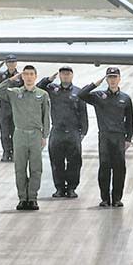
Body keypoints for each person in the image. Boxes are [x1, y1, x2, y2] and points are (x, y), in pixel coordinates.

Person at [0, 65, 51, 211]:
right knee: (19, 168)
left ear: (36, 76)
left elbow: (46, 116)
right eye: (26, 74)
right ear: (22, 76)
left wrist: (45, 135)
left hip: (35, 134)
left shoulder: (42, 94)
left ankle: (32, 198)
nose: (29, 77)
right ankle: (22, 198)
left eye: (31, 74)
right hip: (19, 133)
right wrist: (12, 79)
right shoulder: (15, 93)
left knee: (36, 168)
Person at [79, 67, 133, 208]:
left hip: (119, 137)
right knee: (104, 168)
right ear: (106, 79)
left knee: (119, 169)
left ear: (119, 79)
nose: (113, 80)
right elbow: (81, 94)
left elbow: (130, 120)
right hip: (104, 136)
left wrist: (128, 139)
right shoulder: (98, 96)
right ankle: (104, 198)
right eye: (110, 77)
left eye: (115, 77)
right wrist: (95, 84)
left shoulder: (125, 99)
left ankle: (117, 198)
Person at [37, 66, 88, 198]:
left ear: (72, 76)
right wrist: (48, 79)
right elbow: (38, 88)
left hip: (73, 131)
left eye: (68, 74)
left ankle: (71, 188)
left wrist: (83, 131)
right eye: (63, 74)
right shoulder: (52, 90)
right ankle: (59, 188)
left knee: (75, 162)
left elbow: (83, 112)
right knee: (56, 161)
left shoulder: (78, 92)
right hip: (57, 131)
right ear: (59, 76)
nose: (65, 76)